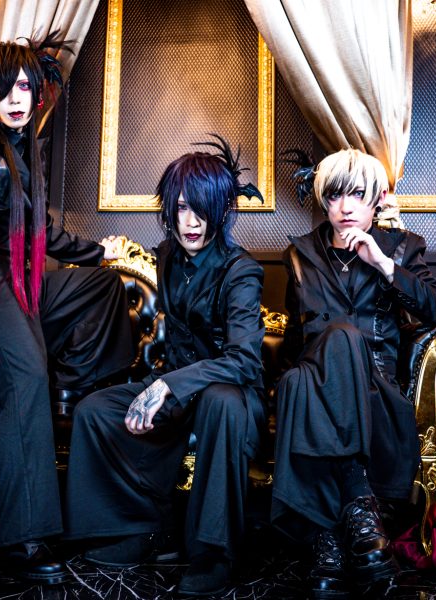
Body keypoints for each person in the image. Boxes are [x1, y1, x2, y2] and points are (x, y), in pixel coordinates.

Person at [0, 35, 135, 583]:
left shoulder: (28, 149)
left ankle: (77, 382)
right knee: (26, 381)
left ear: (37, 93)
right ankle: (20, 539)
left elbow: (43, 232)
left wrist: (101, 252)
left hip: (24, 278)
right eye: (6, 89)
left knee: (103, 288)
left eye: (25, 87)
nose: (16, 98)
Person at [64, 137, 266, 597]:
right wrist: (157, 387)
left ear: (222, 210)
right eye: (180, 208)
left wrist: (168, 387)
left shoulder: (241, 271)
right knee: (94, 411)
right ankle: (139, 530)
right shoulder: (168, 255)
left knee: (220, 403)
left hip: (232, 396)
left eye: (201, 209)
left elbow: (243, 361)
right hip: (176, 387)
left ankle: (214, 553)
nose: (190, 222)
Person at [272, 149, 436, 599]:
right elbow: (294, 338)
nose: (345, 207)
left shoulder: (402, 247)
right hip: (315, 386)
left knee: (344, 338)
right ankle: (357, 514)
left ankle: (326, 544)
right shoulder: (301, 254)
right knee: (298, 378)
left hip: (376, 392)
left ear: (377, 200)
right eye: (335, 196)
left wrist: (383, 264)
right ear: (323, 201)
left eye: (356, 195)